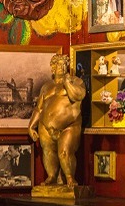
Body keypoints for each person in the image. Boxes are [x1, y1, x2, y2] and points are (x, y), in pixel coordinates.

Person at [27, 54, 86, 187]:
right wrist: (31, 126)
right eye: (58, 64)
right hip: (45, 127)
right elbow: (39, 108)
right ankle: (52, 176)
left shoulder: (76, 81)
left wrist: (67, 82)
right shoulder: (46, 86)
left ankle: (70, 178)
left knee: (64, 152)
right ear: (53, 67)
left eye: (64, 64)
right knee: (48, 152)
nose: (61, 67)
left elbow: (78, 95)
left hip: (69, 126)